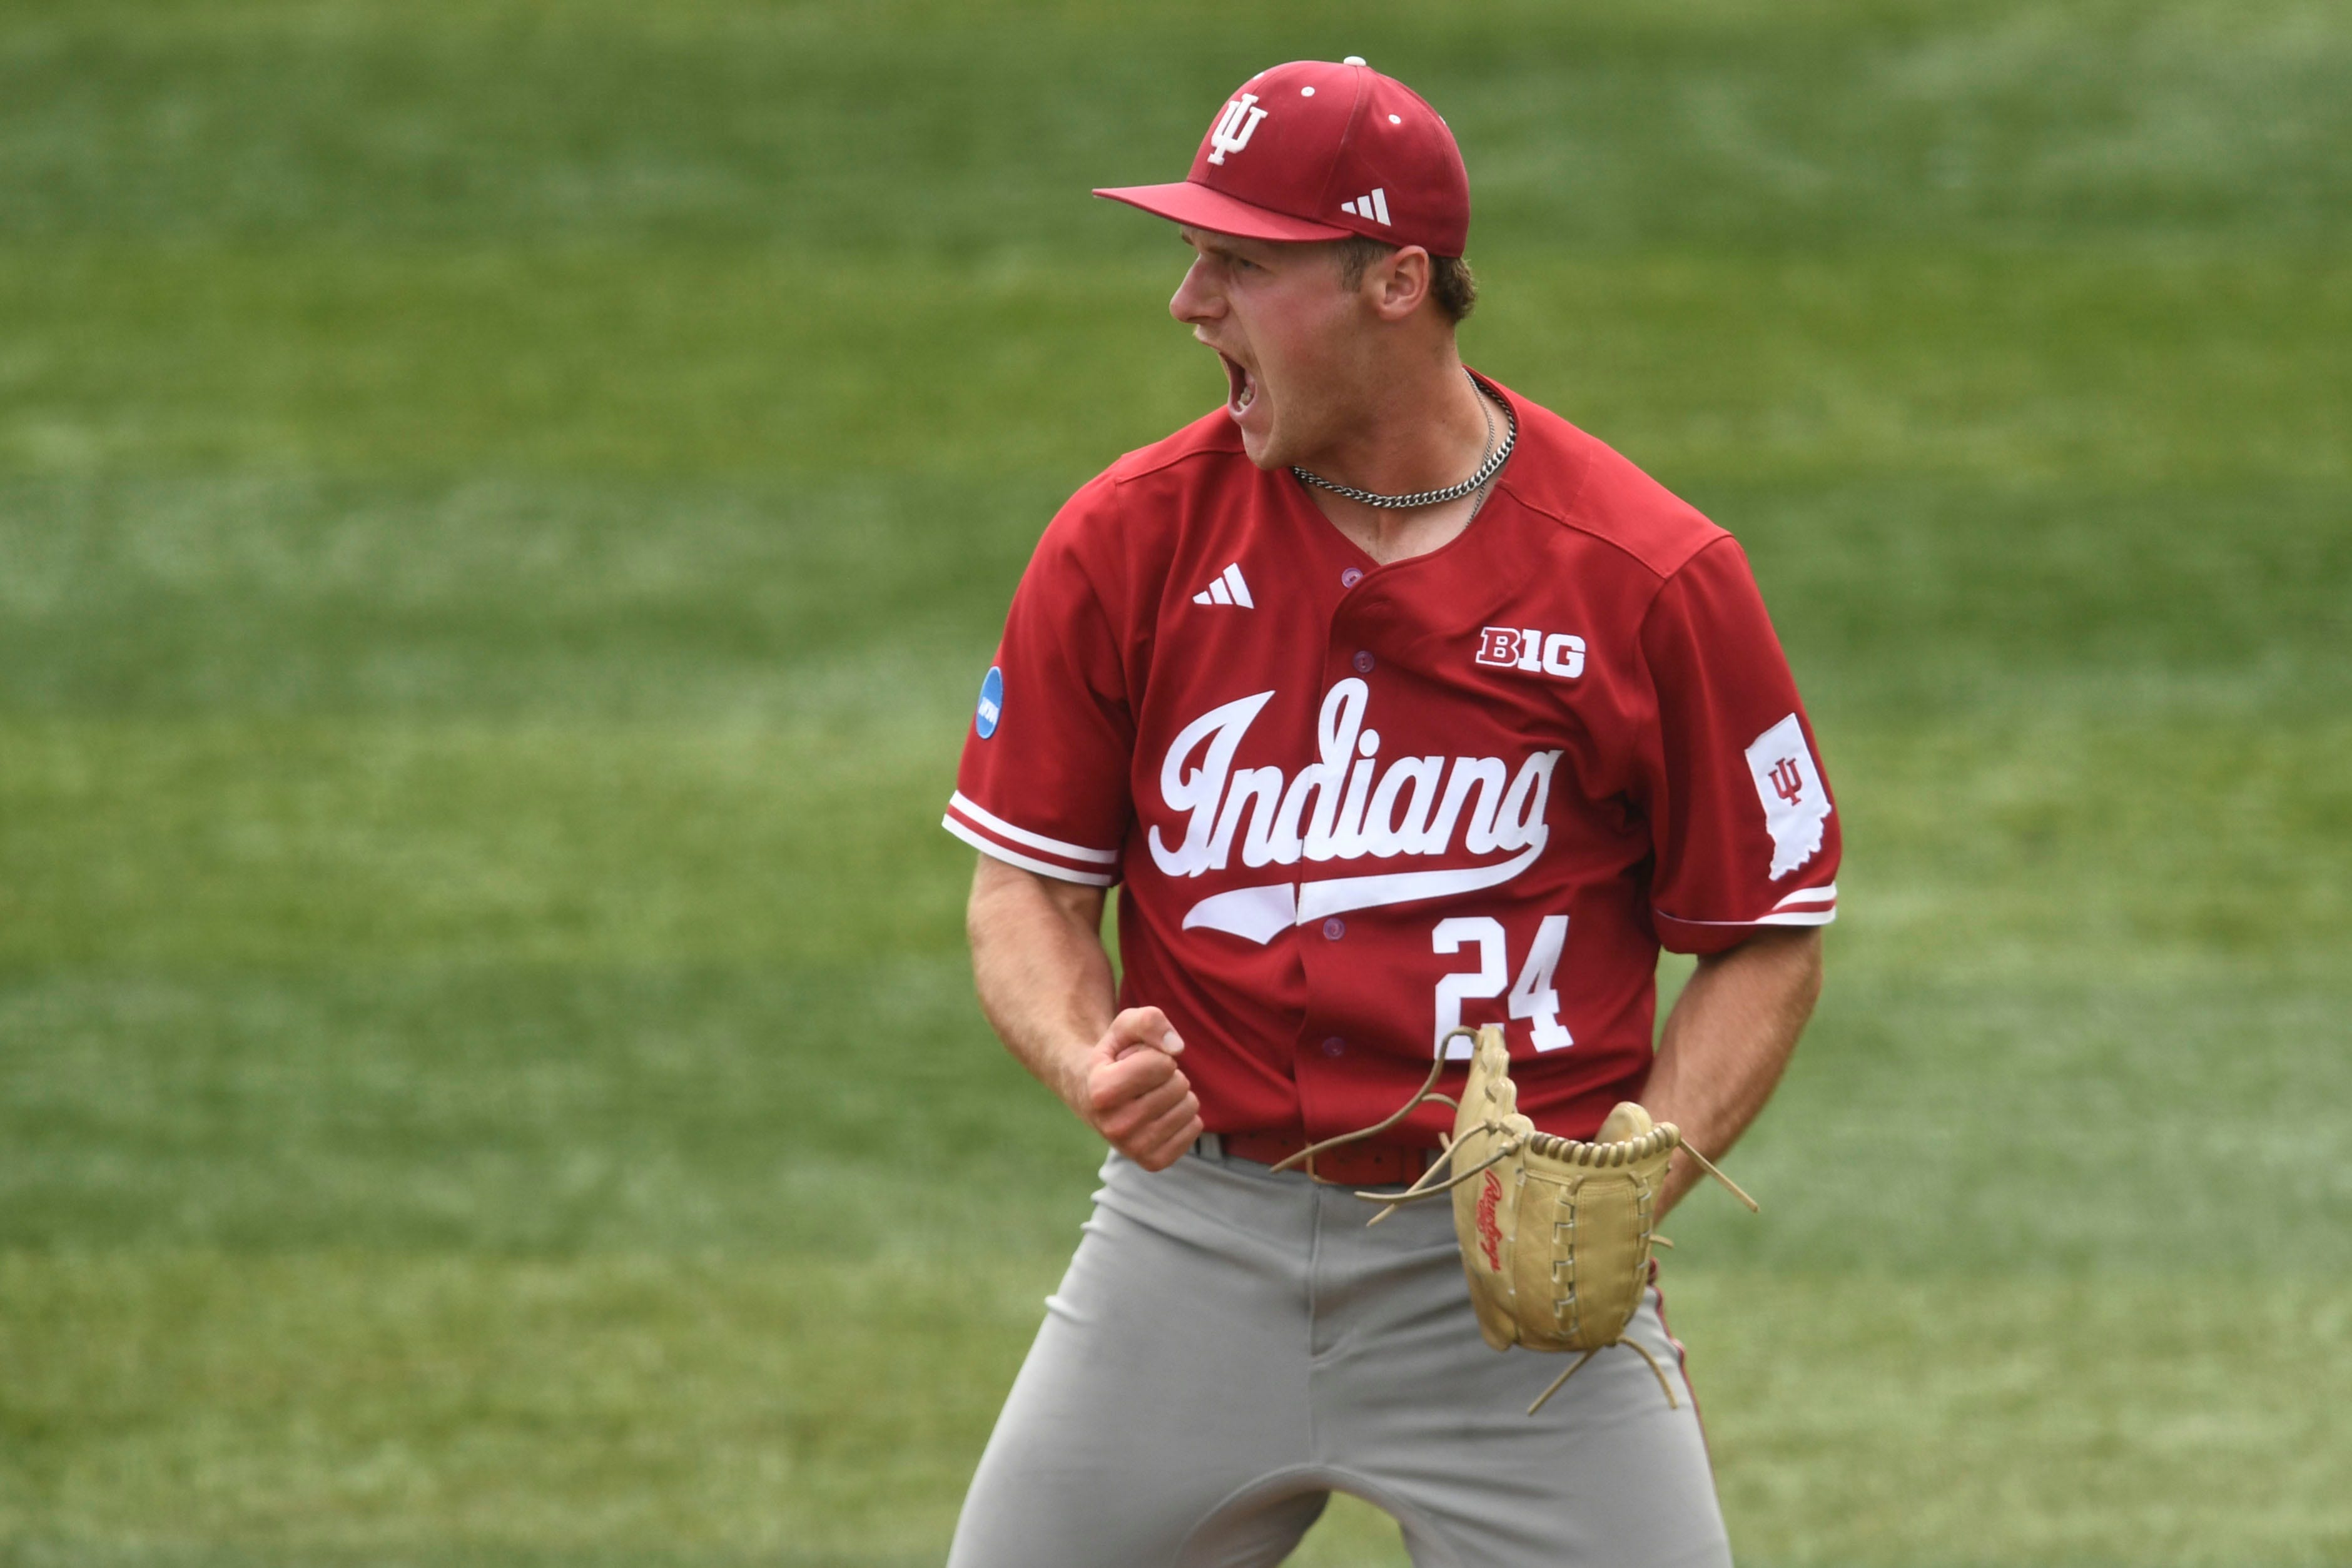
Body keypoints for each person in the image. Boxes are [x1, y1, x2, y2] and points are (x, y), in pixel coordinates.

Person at [939, 56, 1837, 1568]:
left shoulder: (1645, 573)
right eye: (1191, 256)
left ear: (1395, 282)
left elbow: (1767, 932)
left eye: (1239, 263)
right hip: (1188, 1246)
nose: (1188, 304)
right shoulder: (1128, 539)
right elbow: (1021, 890)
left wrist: (1634, 1181)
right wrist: (1090, 1055)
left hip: (1508, 1289)